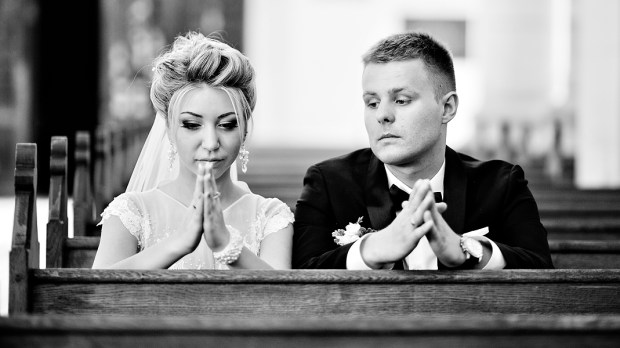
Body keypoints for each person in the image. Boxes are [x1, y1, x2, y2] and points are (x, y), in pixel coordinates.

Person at [293, 32, 553, 270]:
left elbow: (546, 276)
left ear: (447, 108)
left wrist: (467, 252)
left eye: (401, 100)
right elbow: (297, 280)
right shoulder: (327, 183)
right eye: (372, 102)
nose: (382, 115)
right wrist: (371, 250)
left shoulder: (501, 184)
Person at [93, 32, 293, 270]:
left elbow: (282, 298)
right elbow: (95, 294)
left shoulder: (271, 216)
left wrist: (228, 246)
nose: (210, 143)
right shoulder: (130, 212)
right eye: (191, 125)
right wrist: (178, 243)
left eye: (227, 124)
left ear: (245, 129)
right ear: (169, 128)